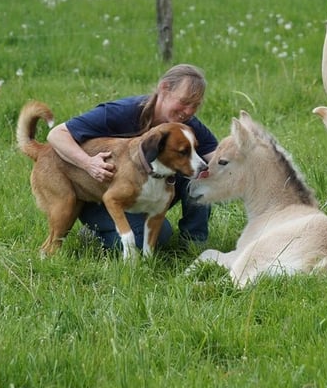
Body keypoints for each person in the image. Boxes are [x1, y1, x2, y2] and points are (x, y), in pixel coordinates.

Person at [46, 64, 218, 252]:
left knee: (202, 169)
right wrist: (88, 164)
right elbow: (56, 134)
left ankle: (193, 244)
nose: (188, 111)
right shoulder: (122, 111)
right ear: (164, 88)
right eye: (184, 102)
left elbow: (217, 158)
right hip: (98, 195)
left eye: (195, 105)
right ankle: (96, 232)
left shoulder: (186, 128)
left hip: (141, 195)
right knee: (150, 239)